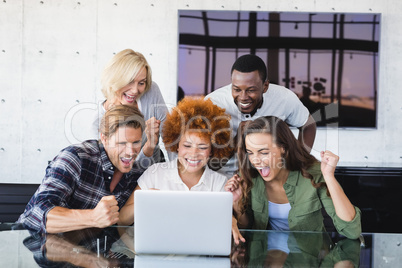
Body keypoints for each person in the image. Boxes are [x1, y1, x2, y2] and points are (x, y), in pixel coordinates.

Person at [225, 116, 361, 244]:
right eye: (250, 152)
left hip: (308, 258)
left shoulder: (313, 173)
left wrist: (329, 176)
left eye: (264, 152)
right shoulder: (250, 175)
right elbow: (246, 227)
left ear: (283, 148)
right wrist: (236, 203)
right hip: (265, 257)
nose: (255, 160)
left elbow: (352, 231)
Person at [17, 105, 145, 233]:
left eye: (136, 142)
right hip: (31, 243)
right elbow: (35, 214)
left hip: (89, 250)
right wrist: (93, 217)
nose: (130, 152)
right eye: (121, 143)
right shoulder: (75, 158)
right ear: (104, 139)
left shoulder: (138, 173)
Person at [118, 97, 233, 226]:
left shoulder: (219, 184)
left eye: (202, 147)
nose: (193, 154)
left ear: (212, 150)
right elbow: (122, 219)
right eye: (187, 146)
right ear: (176, 145)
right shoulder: (155, 173)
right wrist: (145, 199)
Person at [205, 54, 317, 177]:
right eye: (236, 89)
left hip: (266, 178)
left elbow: (309, 125)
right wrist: (238, 139)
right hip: (223, 178)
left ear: (265, 86)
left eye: (251, 90)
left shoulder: (284, 98)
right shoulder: (213, 104)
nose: (243, 97)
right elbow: (210, 165)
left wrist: (296, 164)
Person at [91, 48, 173, 173]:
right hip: (125, 179)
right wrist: (148, 148)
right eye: (129, 82)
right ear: (115, 80)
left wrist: (180, 177)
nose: (135, 90)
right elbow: (113, 171)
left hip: (155, 171)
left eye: (141, 83)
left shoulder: (150, 92)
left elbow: (171, 136)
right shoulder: (99, 121)